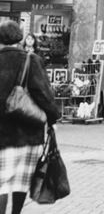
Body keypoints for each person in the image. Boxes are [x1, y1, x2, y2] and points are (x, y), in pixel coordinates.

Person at [0, 20, 61, 214]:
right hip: (29, 131)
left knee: (2, 182)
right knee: (21, 181)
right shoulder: (30, 60)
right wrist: (52, 118)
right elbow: (44, 94)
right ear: (19, 37)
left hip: (2, 135)